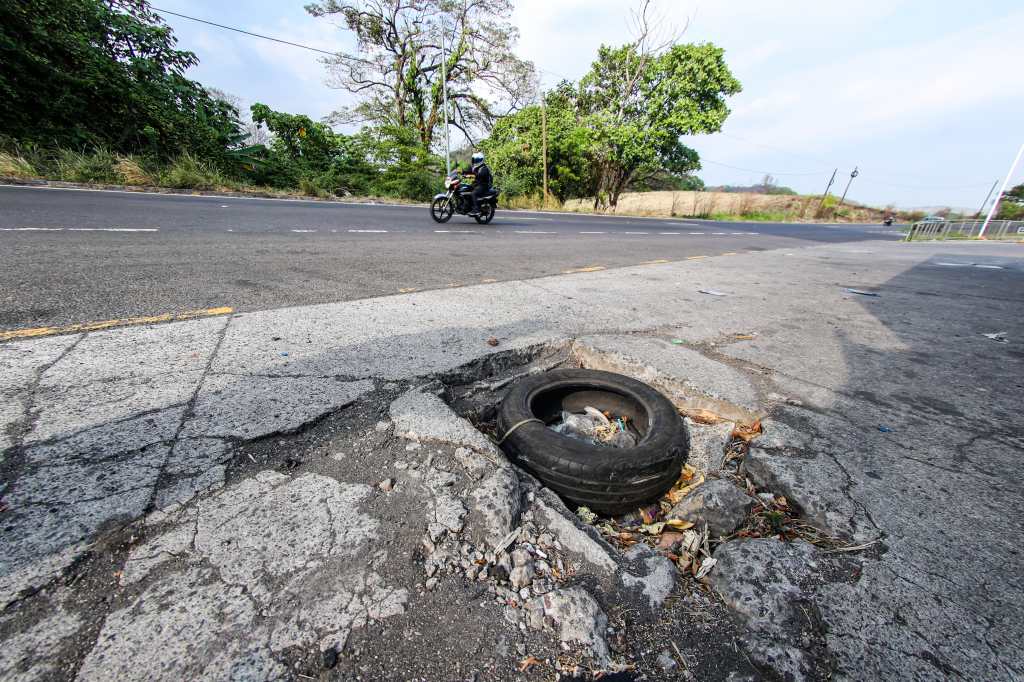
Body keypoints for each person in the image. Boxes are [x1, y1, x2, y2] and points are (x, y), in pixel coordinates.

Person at [464, 151, 492, 216]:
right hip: (476, 184)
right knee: (465, 189)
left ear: (480, 160)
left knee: (474, 193)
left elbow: (480, 175)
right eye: (474, 159)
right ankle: (467, 206)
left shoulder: (484, 168)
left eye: (476, 160)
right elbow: (469, 171)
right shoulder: (475, 167)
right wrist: (461, 171)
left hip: (483, 185)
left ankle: (477, 210)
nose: (475, 161)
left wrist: (471, 175)